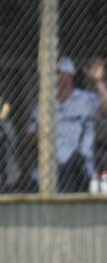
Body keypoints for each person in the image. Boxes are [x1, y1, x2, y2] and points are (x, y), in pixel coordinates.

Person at [26, 56, 107, 194]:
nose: (52, 77)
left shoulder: (85, 100)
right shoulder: (42, 105)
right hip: (47, 175)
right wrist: (44, 132)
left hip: (80, 174)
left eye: (57, 72)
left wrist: (98, 81)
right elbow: (29, 140)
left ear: (69, 75)